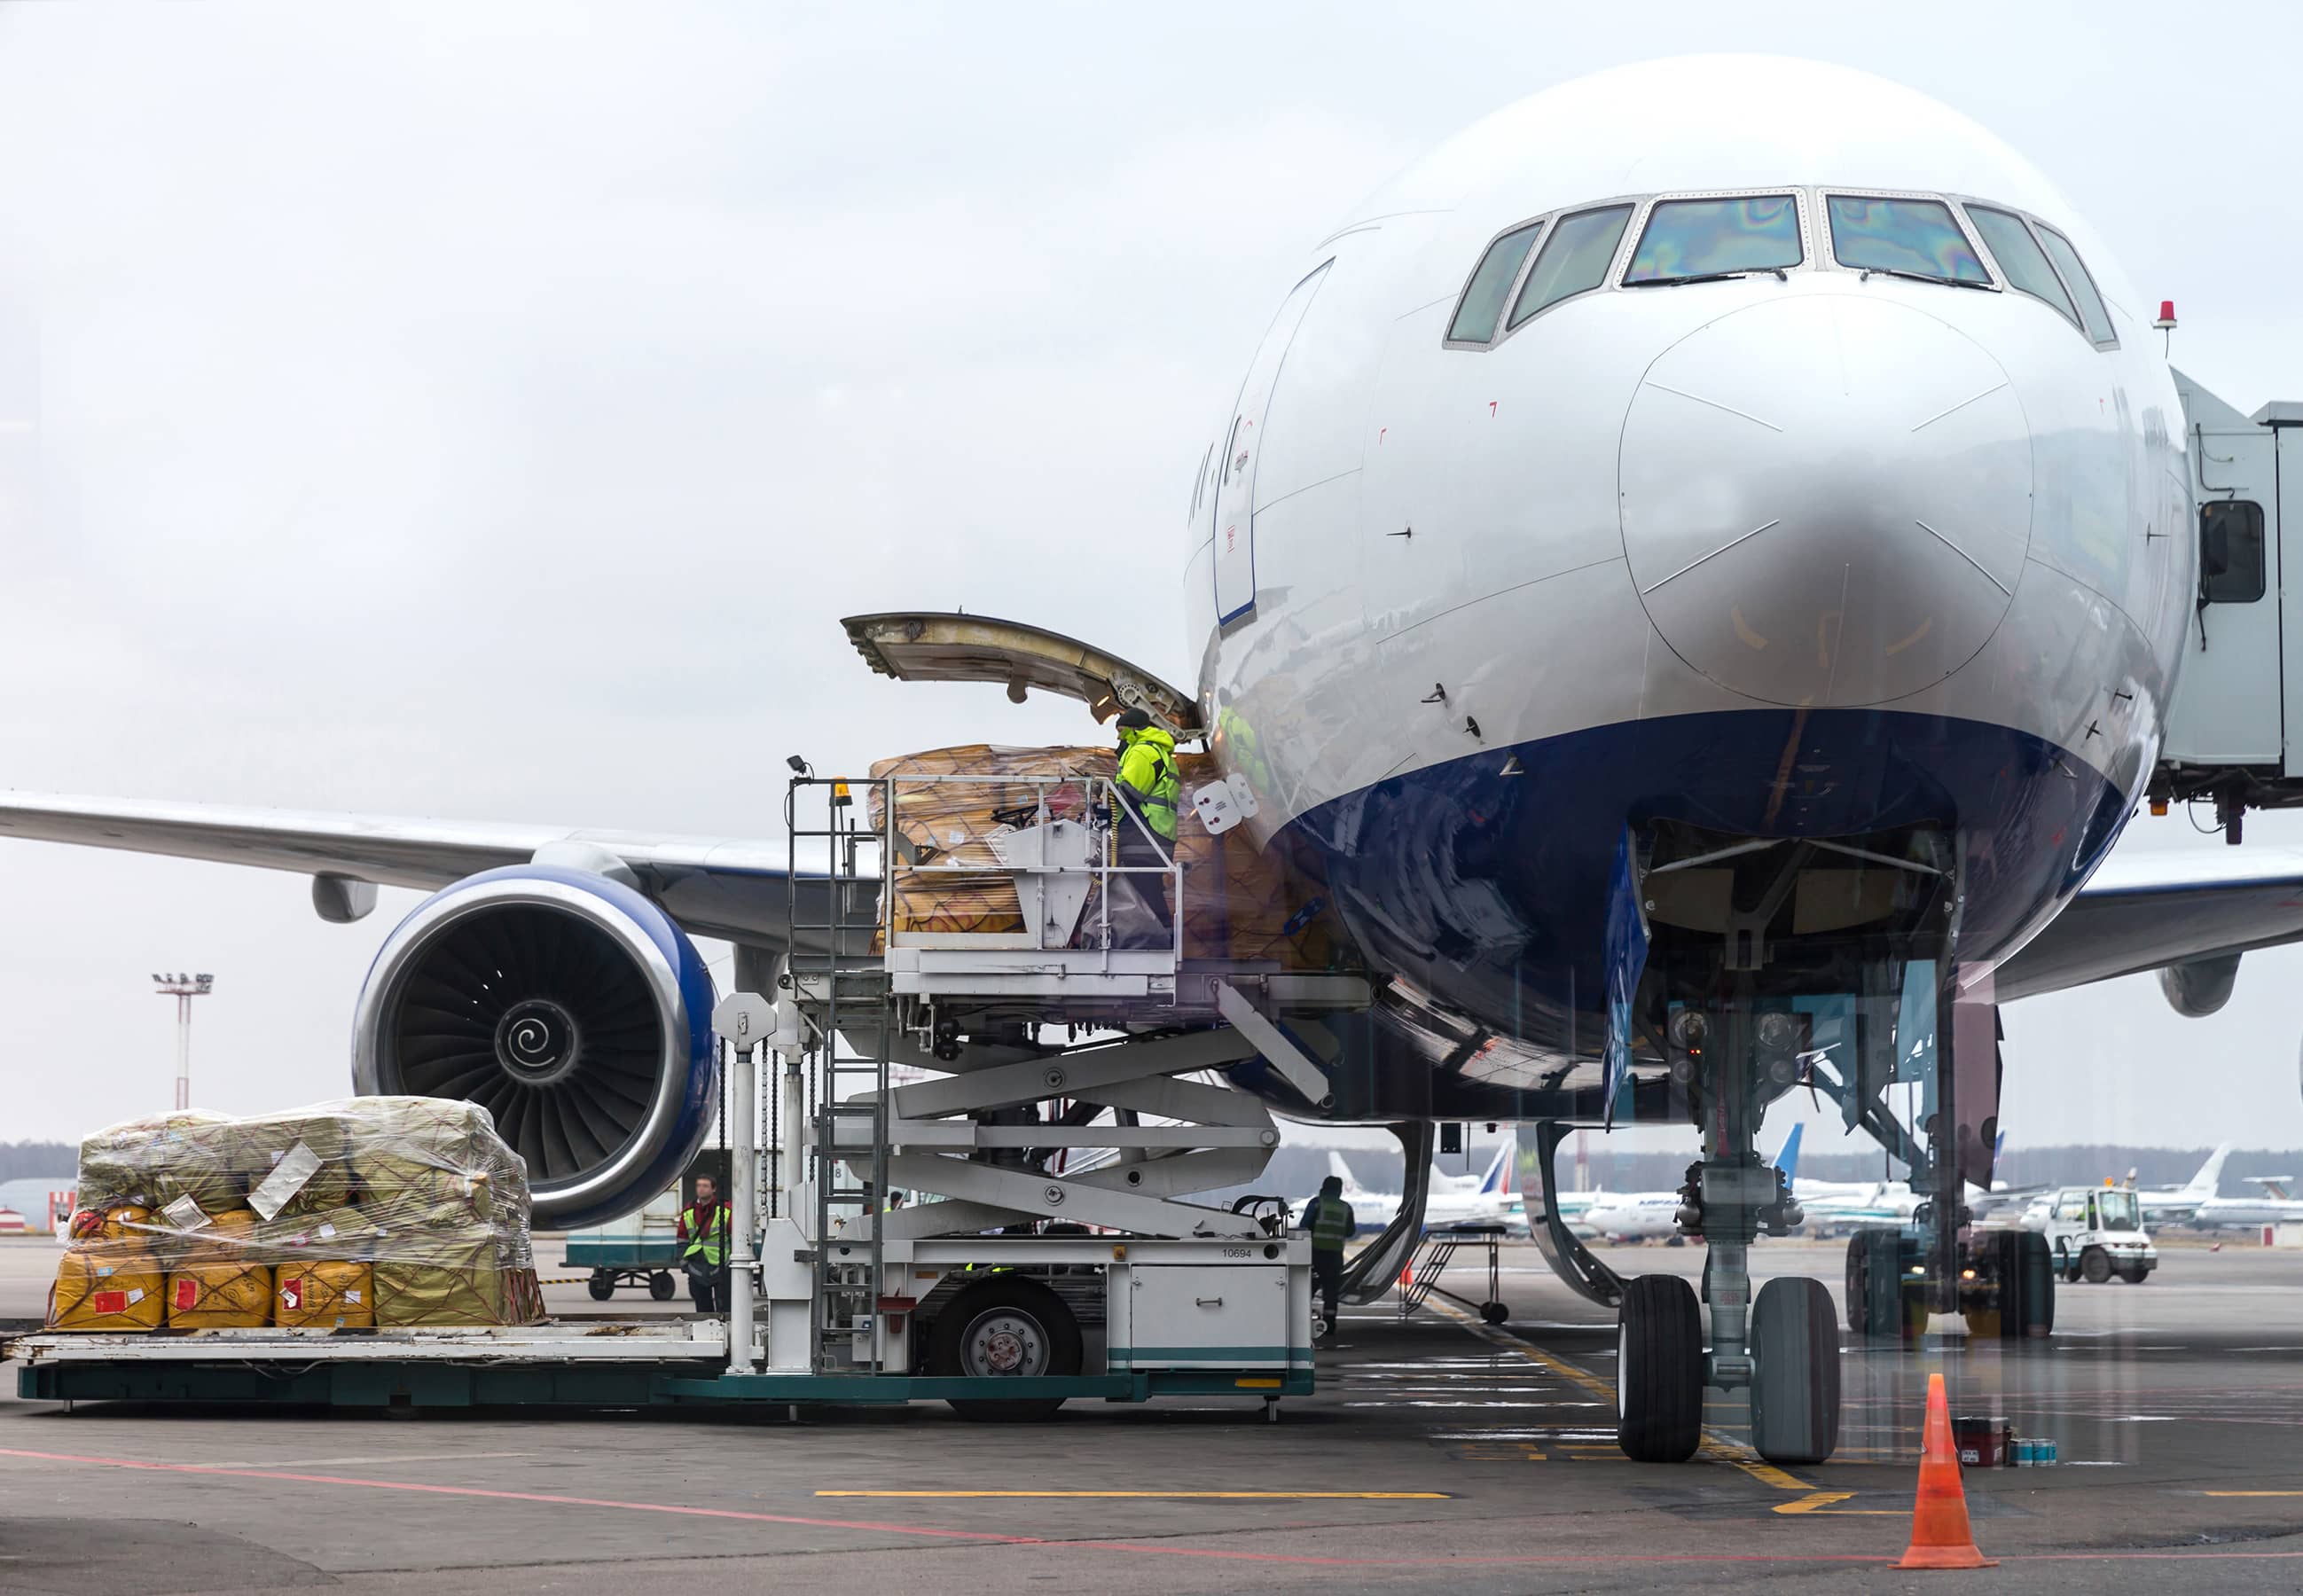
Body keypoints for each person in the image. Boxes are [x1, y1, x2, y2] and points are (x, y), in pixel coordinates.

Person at [1109, 707, 1180, 948]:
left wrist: (1103, 792)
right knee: (1148, 889)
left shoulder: (1141, 751)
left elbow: (1131, 793)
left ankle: (1156, 941)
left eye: (1120, 731)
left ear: (1132, 729)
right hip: (1156, 832)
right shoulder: (1158, 751)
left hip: (1144, 832)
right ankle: (1162, 938)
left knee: (1140, 891)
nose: (1118, 737)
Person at [1300, 1174, 1355, 1336]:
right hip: (1335, 1256)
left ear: (1323, 1188)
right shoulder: (1346, 1207)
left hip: (1315, 1254)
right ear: (1339, 1190)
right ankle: (1330, 1325)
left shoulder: (1316, 1204)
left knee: (1306, 1289)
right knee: (1331, 1292)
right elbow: (1351, 1231)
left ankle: (1301, 1322)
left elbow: (1304, 1225)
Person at [677, 1175, 732, 1314]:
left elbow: (735, 1239)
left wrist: (730, 1262)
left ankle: (727, 1334)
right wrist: (685, 1263)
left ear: (713, 1189)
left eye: (705, 1186)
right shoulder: (688, 1212)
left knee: (725, 1310)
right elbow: (682, 1240)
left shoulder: (726, 1211)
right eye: (699, 1185)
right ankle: (707, 1335)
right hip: (697, 1267)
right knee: (702, 1311)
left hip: (721, 1266)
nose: (701, 1189)